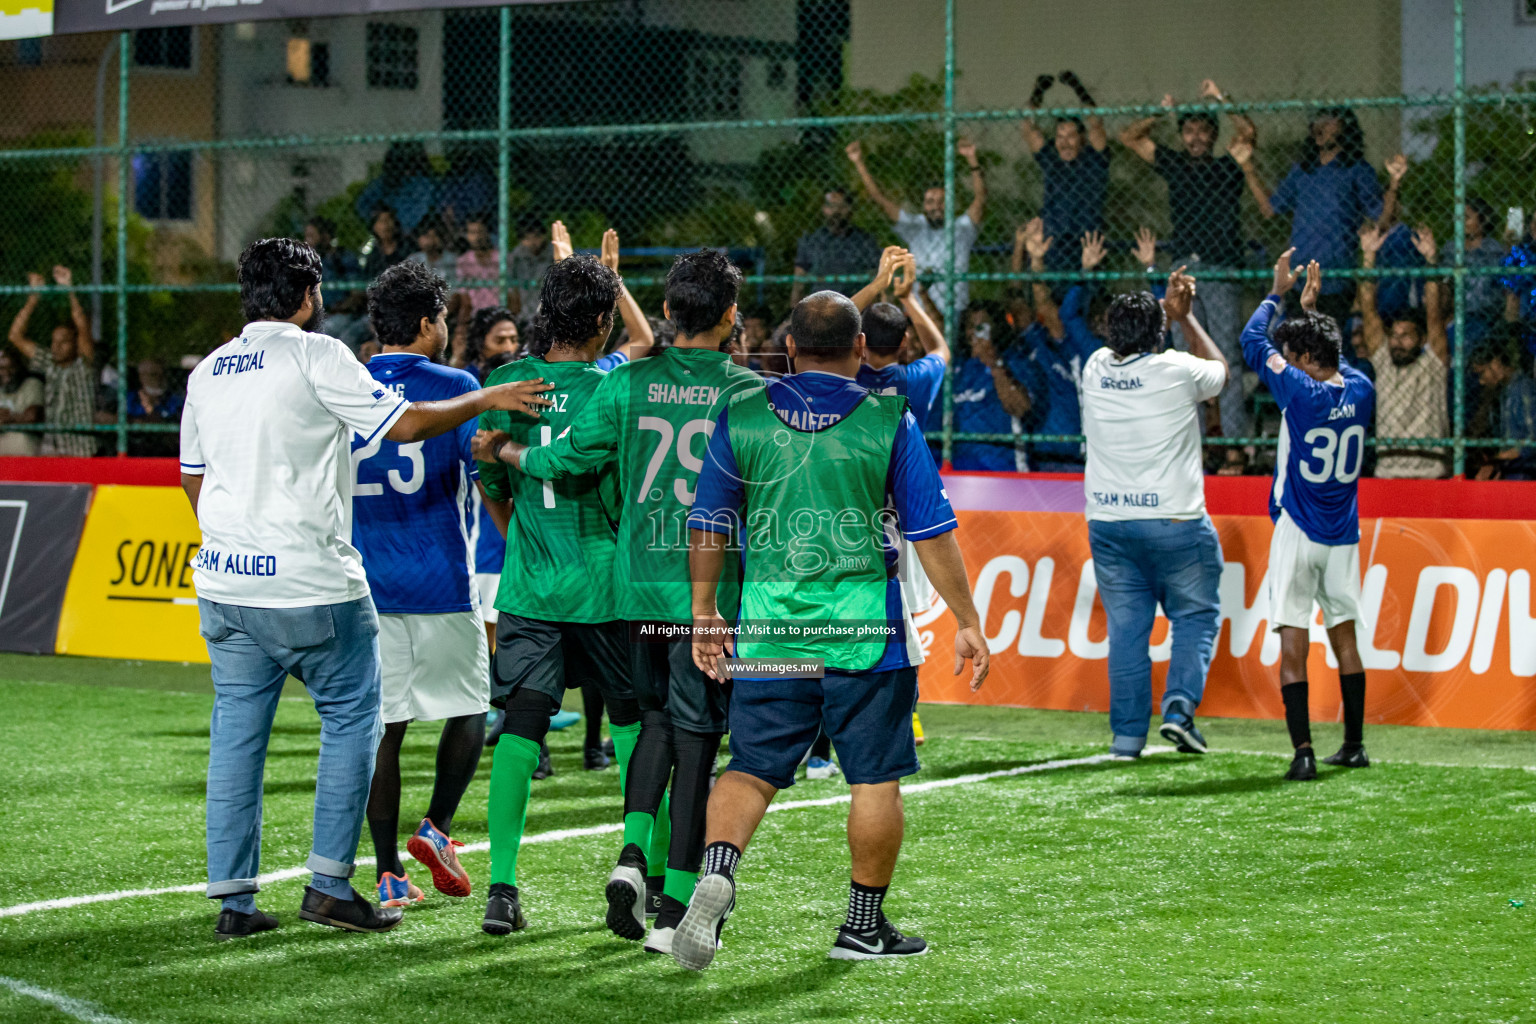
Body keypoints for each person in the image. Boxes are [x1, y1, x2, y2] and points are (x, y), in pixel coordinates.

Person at [178, 236, 551, 940]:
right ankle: (327, 886)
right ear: (308, 298)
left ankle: (235, 901)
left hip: (226, 583)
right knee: (357, 720)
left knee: (235, 736)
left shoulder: (209, 371)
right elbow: (405, 425)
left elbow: (192, 475)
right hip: (314, 583)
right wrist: (489, 395)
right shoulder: (319, 354)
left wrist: (235, 538)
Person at [674, 290, 990, 970]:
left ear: (789, 348)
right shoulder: (888, 416)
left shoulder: (746, 413)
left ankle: (719, 870)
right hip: (864, 635)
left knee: (752, 768)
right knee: (873, 779)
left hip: (768, 630)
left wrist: (704, 613)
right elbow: (932, 533)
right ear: (860, 351)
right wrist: (967, 621)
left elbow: (707, 522)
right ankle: (860, 927)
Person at [490, 248, 762, 953]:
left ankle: (624, 859)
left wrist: (510, 455)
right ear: (732, 318)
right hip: (706, 594)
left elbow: (563, 460)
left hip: (634, 586)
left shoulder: (627, 384)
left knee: (648, 724)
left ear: (669, 311)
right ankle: (671, 913)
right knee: (695, 742)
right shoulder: (749, 391)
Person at [468, 251, 648, 936]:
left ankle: (502, 889)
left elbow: (492, 482)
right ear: (602, 320)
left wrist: (527, 543)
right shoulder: (614, 388)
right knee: (633, 726)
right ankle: (647, 871)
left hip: (531, 587)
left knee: (520, 728)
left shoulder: (507, 382)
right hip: (605, 588)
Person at [351, 260, 491, 910]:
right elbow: (484, 466)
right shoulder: (456, 386)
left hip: (366, 588)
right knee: (469, 707)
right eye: (442, 320)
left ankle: (385, 872)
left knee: (384, 730)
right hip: (440, 580)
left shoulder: (347, 387)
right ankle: (435, 826)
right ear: (429, 323)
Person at [1080, 269, 1226, 761]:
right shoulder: (1177, 370)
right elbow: (1221, 370)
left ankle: (1126, 739)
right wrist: (1186, 318)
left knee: (1126, 629)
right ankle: (1179, 710)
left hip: (1109, 522)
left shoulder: (1095, 366)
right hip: (1175, 521)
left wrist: (1167, 318)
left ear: (1110, 332)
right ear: (1159, 334)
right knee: (1195, 615)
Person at [1243, 254, 1377, 780]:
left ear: (1301, 357)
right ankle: (1355, 744)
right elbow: (1334, 362)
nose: (1285, 360)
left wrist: (1277, 296)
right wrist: (1312, 313)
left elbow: (1254, 342)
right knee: (1346, 637)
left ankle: (1303, 752)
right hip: (1343, 533)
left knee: (1293, 639)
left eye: (1291, 354)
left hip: (1298, 527)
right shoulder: (1361, 387)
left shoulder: (1299, 391)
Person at [1120, 79, 1256, 456]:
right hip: (1185, 269)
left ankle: (1234, 449)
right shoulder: (1175, 162)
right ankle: (1190, 448)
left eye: (1202, 130)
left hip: (1222, 267)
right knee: (1182, 361)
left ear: (1213, 134)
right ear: (1182, 134)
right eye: (1189, 130)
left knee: (1223, 354)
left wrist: (1220, 98)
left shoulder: (1227, 166)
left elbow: (1248, 132)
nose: (1196, 137)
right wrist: (1160, 114)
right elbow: (1130, 137)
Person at [1240, 107, 1406, 328]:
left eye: (1329, 122)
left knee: (1328, 351)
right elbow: (1270, 208)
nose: (1321, 127)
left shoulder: (1356, 169)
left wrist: (1394, 182)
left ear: (1344, 128)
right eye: (1317, 121)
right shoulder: (1303, 170)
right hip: (1300, 280)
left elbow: (1382, 220)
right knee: (1299, 349)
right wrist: (1247, 165)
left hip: (1336, 280)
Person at [845, 137, 986, 318]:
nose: (936, 206)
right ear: (923, 205)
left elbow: (981, 198)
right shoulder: (915, 227)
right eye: (930, 202)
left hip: (953, 310)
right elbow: (880, 199)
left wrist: (972, 159)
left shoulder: (961, 228)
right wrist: (859, 163)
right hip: (918, 311)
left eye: (942, 202)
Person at [1016, 219, 1108, 473]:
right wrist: (1035, 261)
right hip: (1049, 456)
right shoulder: (1044, 345)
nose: (1051, 316)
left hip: (1088, 458)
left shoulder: (1086, 349)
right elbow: (1040, 302)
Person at [1358, 224, 1450, 479]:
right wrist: (1369, 256)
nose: (1397, 342)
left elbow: (1433, 314)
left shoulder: (1433, 363)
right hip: (1387, 469)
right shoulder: (1385, 364)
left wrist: (1431, 260)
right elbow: (1368, 311)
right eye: (1395, 336)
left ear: (1421, 341)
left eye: (1406, 336)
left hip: (1431, 470)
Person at [1021, 71, 1109, 271]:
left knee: (1085, 297)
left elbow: (1096, 125)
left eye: (1071, 136)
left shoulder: (1094, 160)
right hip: (1054, 242)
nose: (1065, 142)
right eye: (1060, 137)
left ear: (1081, 139)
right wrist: (1038, 92)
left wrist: (1078, 88)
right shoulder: (1052, 161)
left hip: (1086, 242)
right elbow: (1028, 130)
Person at [7, 266, 96, 457]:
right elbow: (15, 336)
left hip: (79, 449)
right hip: (51, 449)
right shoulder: (49, 362)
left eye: (63, 342)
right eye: (53, 342)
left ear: (75, 344)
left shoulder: (84, 365)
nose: (56, 347)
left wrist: (69, 289)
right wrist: (34, 297)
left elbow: (81, 326)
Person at [950, 304, 1033, 471]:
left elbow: (1020, 407)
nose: (974, 332)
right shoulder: (959, 368)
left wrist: (994, 363)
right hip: (962, 464)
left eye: (981, 327)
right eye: (970, 327)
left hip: (1001, 465)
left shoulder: (1014, 361)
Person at [792, 188, 883, 304]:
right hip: (819, 305)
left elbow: (875, 277)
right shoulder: (812, 240)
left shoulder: (864, 240)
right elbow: (799, 277)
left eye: (841, 206)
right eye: (830, 206)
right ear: (824, 209)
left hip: (854, 304)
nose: (836, 211)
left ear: (850, 209)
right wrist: (795, 307)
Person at [1469, 335, 1536, 480]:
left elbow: (1532, 442)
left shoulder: (1523, 389)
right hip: (1511, 474)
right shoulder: (1503, 393)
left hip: (1525, 476)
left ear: (1496, 363)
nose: (1481, 381)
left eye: (1482, 373)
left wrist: (1497, 459)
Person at [126, 358, 184, 457]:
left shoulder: (174, 400)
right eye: (153, 375)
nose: (159, 379)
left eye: (162, 374)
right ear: (141, 376)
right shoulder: (130, 399)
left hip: (166, 452)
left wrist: (151, 411)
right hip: (135, 451)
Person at [0, 345, 43, 456]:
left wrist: (9, 417)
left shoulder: (32, 384)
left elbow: (32, 416)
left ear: (19, 367)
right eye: (2, 368)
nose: (7, 373)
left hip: (25, 455)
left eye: (11, 367)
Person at [506, 213, 552, 316]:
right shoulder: (516, 256)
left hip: (546, 310)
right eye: (527, 238)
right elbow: (512, 289)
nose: (533, 242)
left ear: (544, 235)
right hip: (524, 311)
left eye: (536, 237)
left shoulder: (552, 253)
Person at [457, 213, 503, 313]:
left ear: (488, 233)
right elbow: (465, 297)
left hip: (499, 311)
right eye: (472, 233)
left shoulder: (501, 258)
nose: (477, 237)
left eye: (480, 232)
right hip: (476, 314)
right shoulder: (463, 261)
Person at [361, 206, 413, 281]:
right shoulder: (373, 254)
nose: (385, 224)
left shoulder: (407, 247)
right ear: (374, 227)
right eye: (381, 220)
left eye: (388, 219)